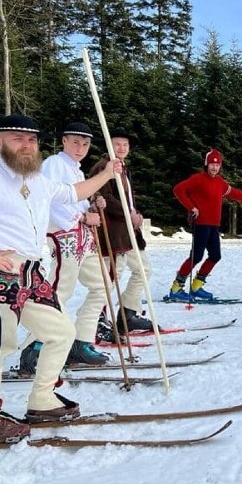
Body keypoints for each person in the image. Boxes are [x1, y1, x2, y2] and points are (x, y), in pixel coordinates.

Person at [0, 114, 122, 443]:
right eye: (17, 138)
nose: (26, 145)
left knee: (61, 332)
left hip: (30, 273)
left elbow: (72, 192)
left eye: (32, 140)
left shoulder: (36, 179)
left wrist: (108, 173)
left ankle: (42, 400)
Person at [20, 122, 110, 373]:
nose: (81, 148)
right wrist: (82, 217)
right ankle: (34, 347)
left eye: (85, 143)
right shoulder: (53, 164)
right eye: (75, 142)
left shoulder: (76, 170)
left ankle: (81, 342)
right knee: (59, 291)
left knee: (103, 285)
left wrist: (91, 206)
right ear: (64, 141)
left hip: (83, 238)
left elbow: (74, 198)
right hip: (64, 236)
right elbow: (48, 199)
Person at [168, 148, 242, 300]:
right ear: (206, 164)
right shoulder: (198, 178)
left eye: (217, 165)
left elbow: (234, 193)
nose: (214, 167)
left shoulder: (219, 182)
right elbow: (178, 189)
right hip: (200, 223)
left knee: (215, 256)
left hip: (213, 225)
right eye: (212, 164)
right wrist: (192, 207)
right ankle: (176, 288)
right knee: (196, 257)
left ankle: (197, 286)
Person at [89, 128, 156, 334]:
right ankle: (98, 320)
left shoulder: (123, 168)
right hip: (113, 233)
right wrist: (129, 213)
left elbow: (126, 199)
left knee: (143, 270)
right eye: (117, 144)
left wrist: (136, 213)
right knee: (110, 278)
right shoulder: (103, 167)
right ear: (109, 145)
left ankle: (128, 315)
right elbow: (105, 199)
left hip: (129, 233)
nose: (122, 148)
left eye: (125, 145)